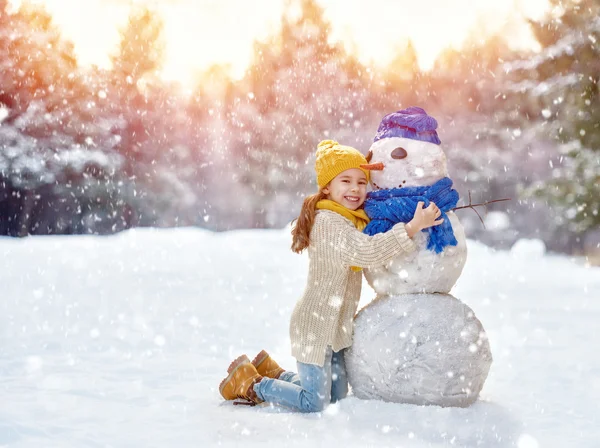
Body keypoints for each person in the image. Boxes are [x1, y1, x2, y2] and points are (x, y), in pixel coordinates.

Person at [219, 140, 444, 411]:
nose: (355, 189)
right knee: (314, 402)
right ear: (327, 187)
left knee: (336, 396)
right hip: (314, 326)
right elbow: (366, 251)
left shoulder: (349, 218)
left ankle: (275, 373)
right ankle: (252, 384)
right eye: (345, 181)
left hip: (334, 326)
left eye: (362, 182)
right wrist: (410, 228)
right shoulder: (329, 222)